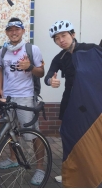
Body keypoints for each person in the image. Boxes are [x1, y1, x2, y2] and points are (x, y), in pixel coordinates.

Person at [44, 20, 102, 186]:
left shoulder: (91, 49)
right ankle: (72, 169)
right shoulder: (60, 58)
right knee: (68, 135)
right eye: (57, 38)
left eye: (63, 35)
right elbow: (48, 75)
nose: (61, 40)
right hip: (71, 101)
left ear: (73, 34)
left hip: (93, 101)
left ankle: (96, 169)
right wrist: (50, 81)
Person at [0, 17, 45, 186]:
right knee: (11, 131)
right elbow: (1, 69)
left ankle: (40, 168)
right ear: (7, 32)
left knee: (32, 134)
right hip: (8, 97)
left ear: (23, 31)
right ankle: (13, 159)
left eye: (17, 29)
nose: (14, 32)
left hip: (26, 97)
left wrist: (30, 67)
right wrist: (0, 89)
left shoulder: (32, 49)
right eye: (10, 30)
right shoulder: (3, 50)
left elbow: (41, 72)